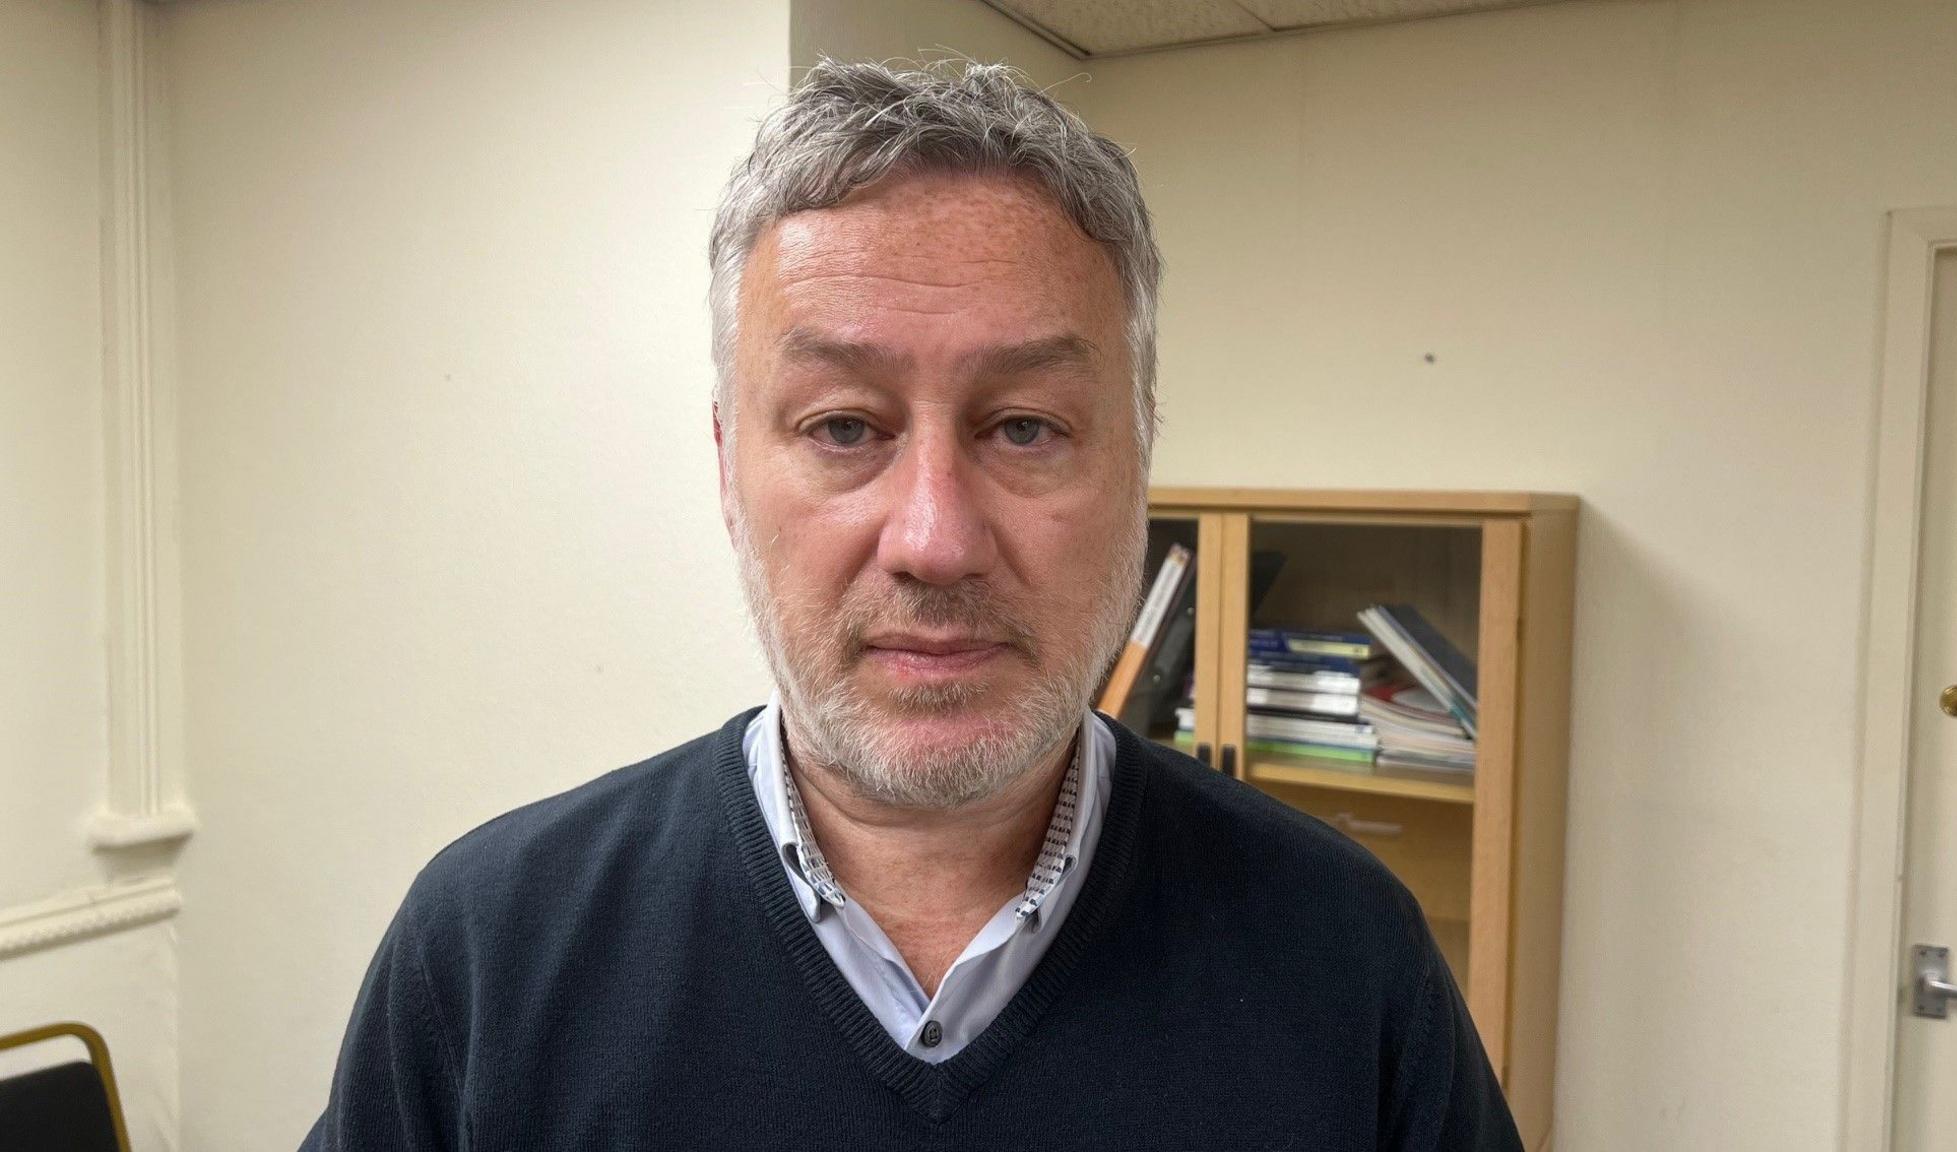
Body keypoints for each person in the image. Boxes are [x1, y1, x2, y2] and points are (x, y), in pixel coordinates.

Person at [300, 58, 1521, 1151]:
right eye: (842, 427)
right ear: (728, 467)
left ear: (1138, 462)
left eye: (1026, 427)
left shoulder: (1344, 956)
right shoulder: (488, 953)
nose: (934, 540)